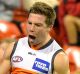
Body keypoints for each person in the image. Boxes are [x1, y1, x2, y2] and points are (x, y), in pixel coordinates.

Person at [0, 2, 70, 74]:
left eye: (37, 25)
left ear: (50, 27)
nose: (31, 28)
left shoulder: (58, 58)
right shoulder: (13, 47)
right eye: (30, 23)